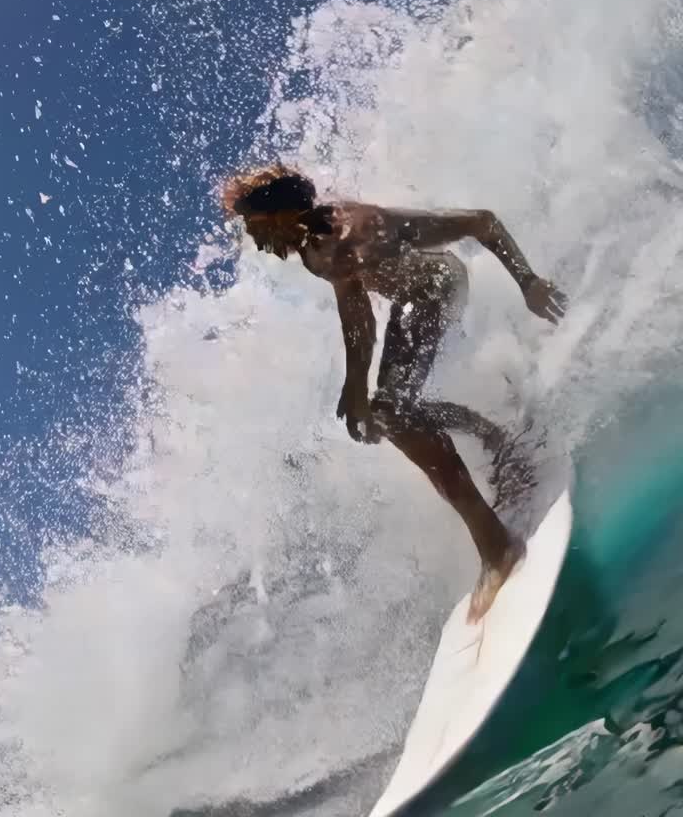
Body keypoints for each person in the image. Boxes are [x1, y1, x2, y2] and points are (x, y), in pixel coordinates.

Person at [222, 164, 566, 621]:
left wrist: (528, 282)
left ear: (282, 214)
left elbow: (481, 221)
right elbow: (357, 312)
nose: (251, 234)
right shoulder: (313, 249)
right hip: (411, 301)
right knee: (395, 411)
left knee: (392, 412)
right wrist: (355, 387)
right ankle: (493, 436)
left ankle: (497, 546)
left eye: (254, 223)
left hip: (437, 288)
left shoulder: (350, 232)